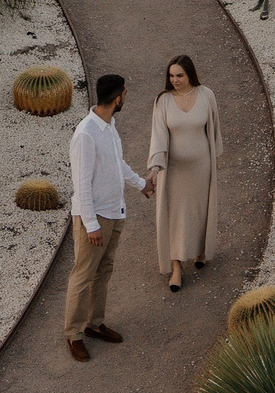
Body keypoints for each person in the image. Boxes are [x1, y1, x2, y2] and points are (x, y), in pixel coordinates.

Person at [65, 72, 153, 362]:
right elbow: (82, 184)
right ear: (118, 99)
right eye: (125, 94)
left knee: (104, 271)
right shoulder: (86, 134)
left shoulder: (109, 126)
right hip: (96, 218)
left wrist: (140, 184)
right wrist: (91, 225)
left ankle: (94, 323)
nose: (126, 98)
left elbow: (118, 165)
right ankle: (74, 335)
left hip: (115, 212)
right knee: (83, 275)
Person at [147, 54, 221, 292]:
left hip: (202, 167)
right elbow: (158, 136)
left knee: (200, 211)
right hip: (174, 171)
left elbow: (214, 128)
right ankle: (176, 267)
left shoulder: (207, 95)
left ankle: (200, 251)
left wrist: (215, 158)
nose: (175, 80)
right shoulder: (163, 101)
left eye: (179, 75)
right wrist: (155, 168)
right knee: (175, 217)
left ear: (190, 74)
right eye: (171, 76)